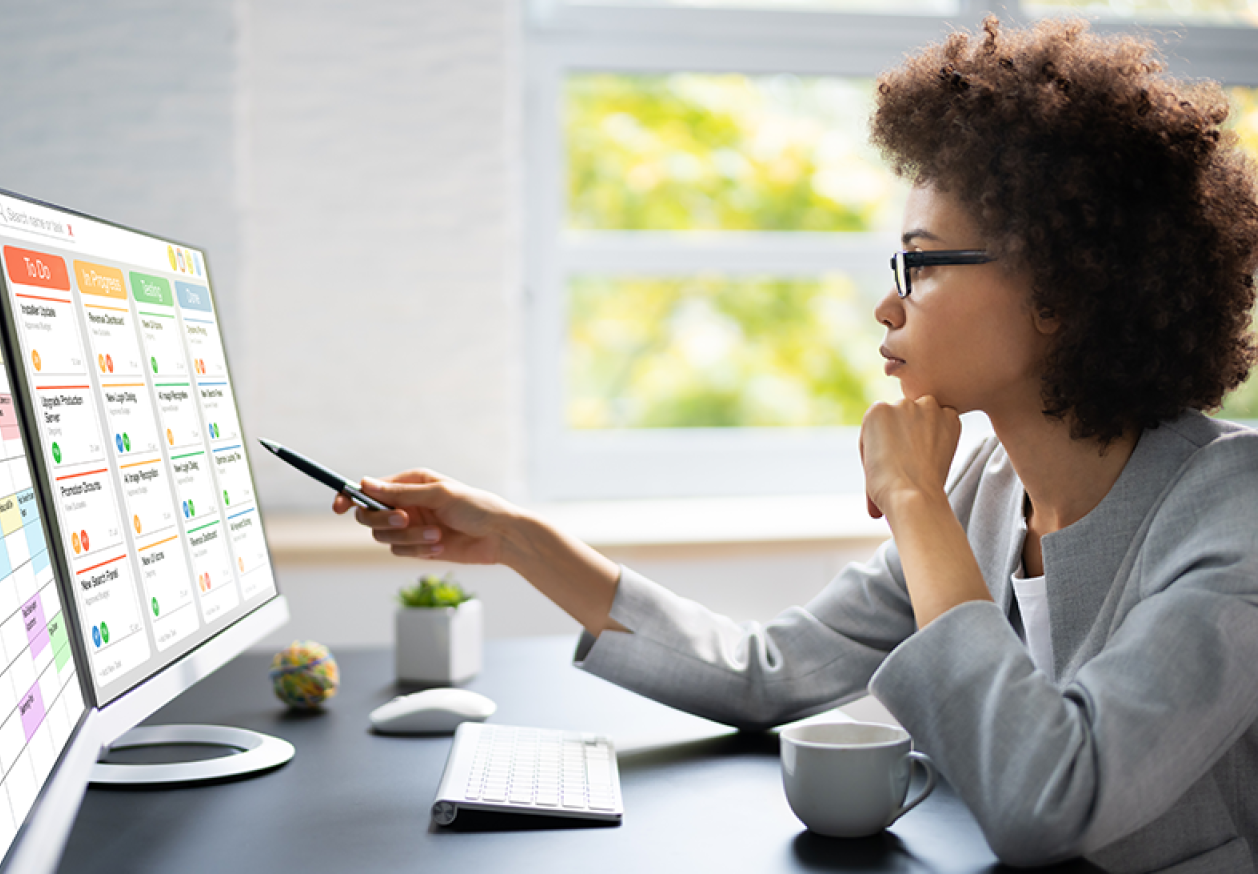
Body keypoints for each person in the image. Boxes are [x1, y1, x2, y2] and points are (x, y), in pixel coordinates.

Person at [334, 17, 1258, 872]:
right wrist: (512, 536)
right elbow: (766, 674)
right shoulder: (982, 488)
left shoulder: (1233, 507)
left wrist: (911, 504)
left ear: (1060, 290)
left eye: (922, 264)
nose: (887, 304)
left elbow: (1048, 800)